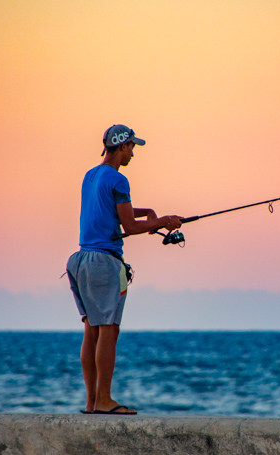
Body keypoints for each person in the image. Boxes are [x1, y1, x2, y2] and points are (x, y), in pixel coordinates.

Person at [66, 124, 182, 415]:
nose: (133, 153)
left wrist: (151, 215)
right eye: (132, 147)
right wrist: (165, 220)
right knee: (109, 329)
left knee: (91, 329)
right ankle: (105, 400)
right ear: (121, 146)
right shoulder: (120, 179)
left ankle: (92, 403)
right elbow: (129, 227)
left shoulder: (90, 176)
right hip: (105, 263)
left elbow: (114, 212)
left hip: (80, 260)